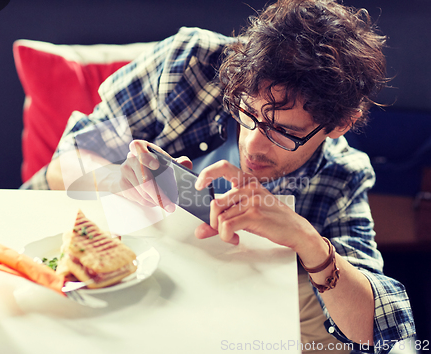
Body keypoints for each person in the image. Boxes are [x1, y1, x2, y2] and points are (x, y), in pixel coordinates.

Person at [23, 0, 415, 352]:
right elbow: (66, 164)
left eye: (286, 133)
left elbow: (383, 336)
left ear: (339, 126)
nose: (254, 145)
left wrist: (306, 240)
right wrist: (113, 180)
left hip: (205, 310)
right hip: (82, 265)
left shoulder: (341, 176)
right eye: (248, 113)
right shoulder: (190, 62)